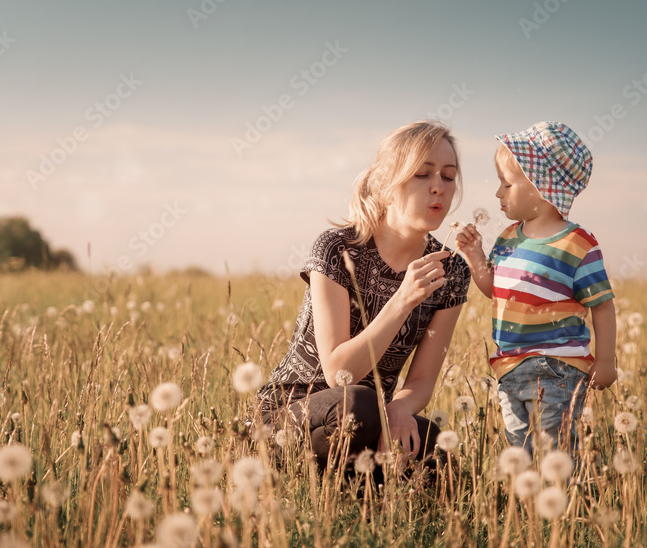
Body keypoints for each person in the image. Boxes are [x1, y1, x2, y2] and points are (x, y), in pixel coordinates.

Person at [256, 121, 472, 469]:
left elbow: (421, 380)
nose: (439, 188)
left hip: (375, 418)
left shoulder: (454, 271)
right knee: (356, 404)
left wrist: (399, 410)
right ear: (388, 182)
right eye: (422, 174)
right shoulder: (338, 248)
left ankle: (361, 494)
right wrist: (402, 300)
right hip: (294, 416)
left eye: (448, 176)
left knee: (436, 453)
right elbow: (338, 372)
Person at [456, 121, 616, 457]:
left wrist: (605, 360)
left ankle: (568, 504)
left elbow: (602, 305)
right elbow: (495, 290)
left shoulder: (577, 245)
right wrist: (475, 257)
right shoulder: (508, 239)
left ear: (543, 185)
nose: (499, 193)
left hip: (558, 368)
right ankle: (528, 508)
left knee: (557, 451)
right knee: (521, 452)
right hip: (508, 366)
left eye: (507, 184)